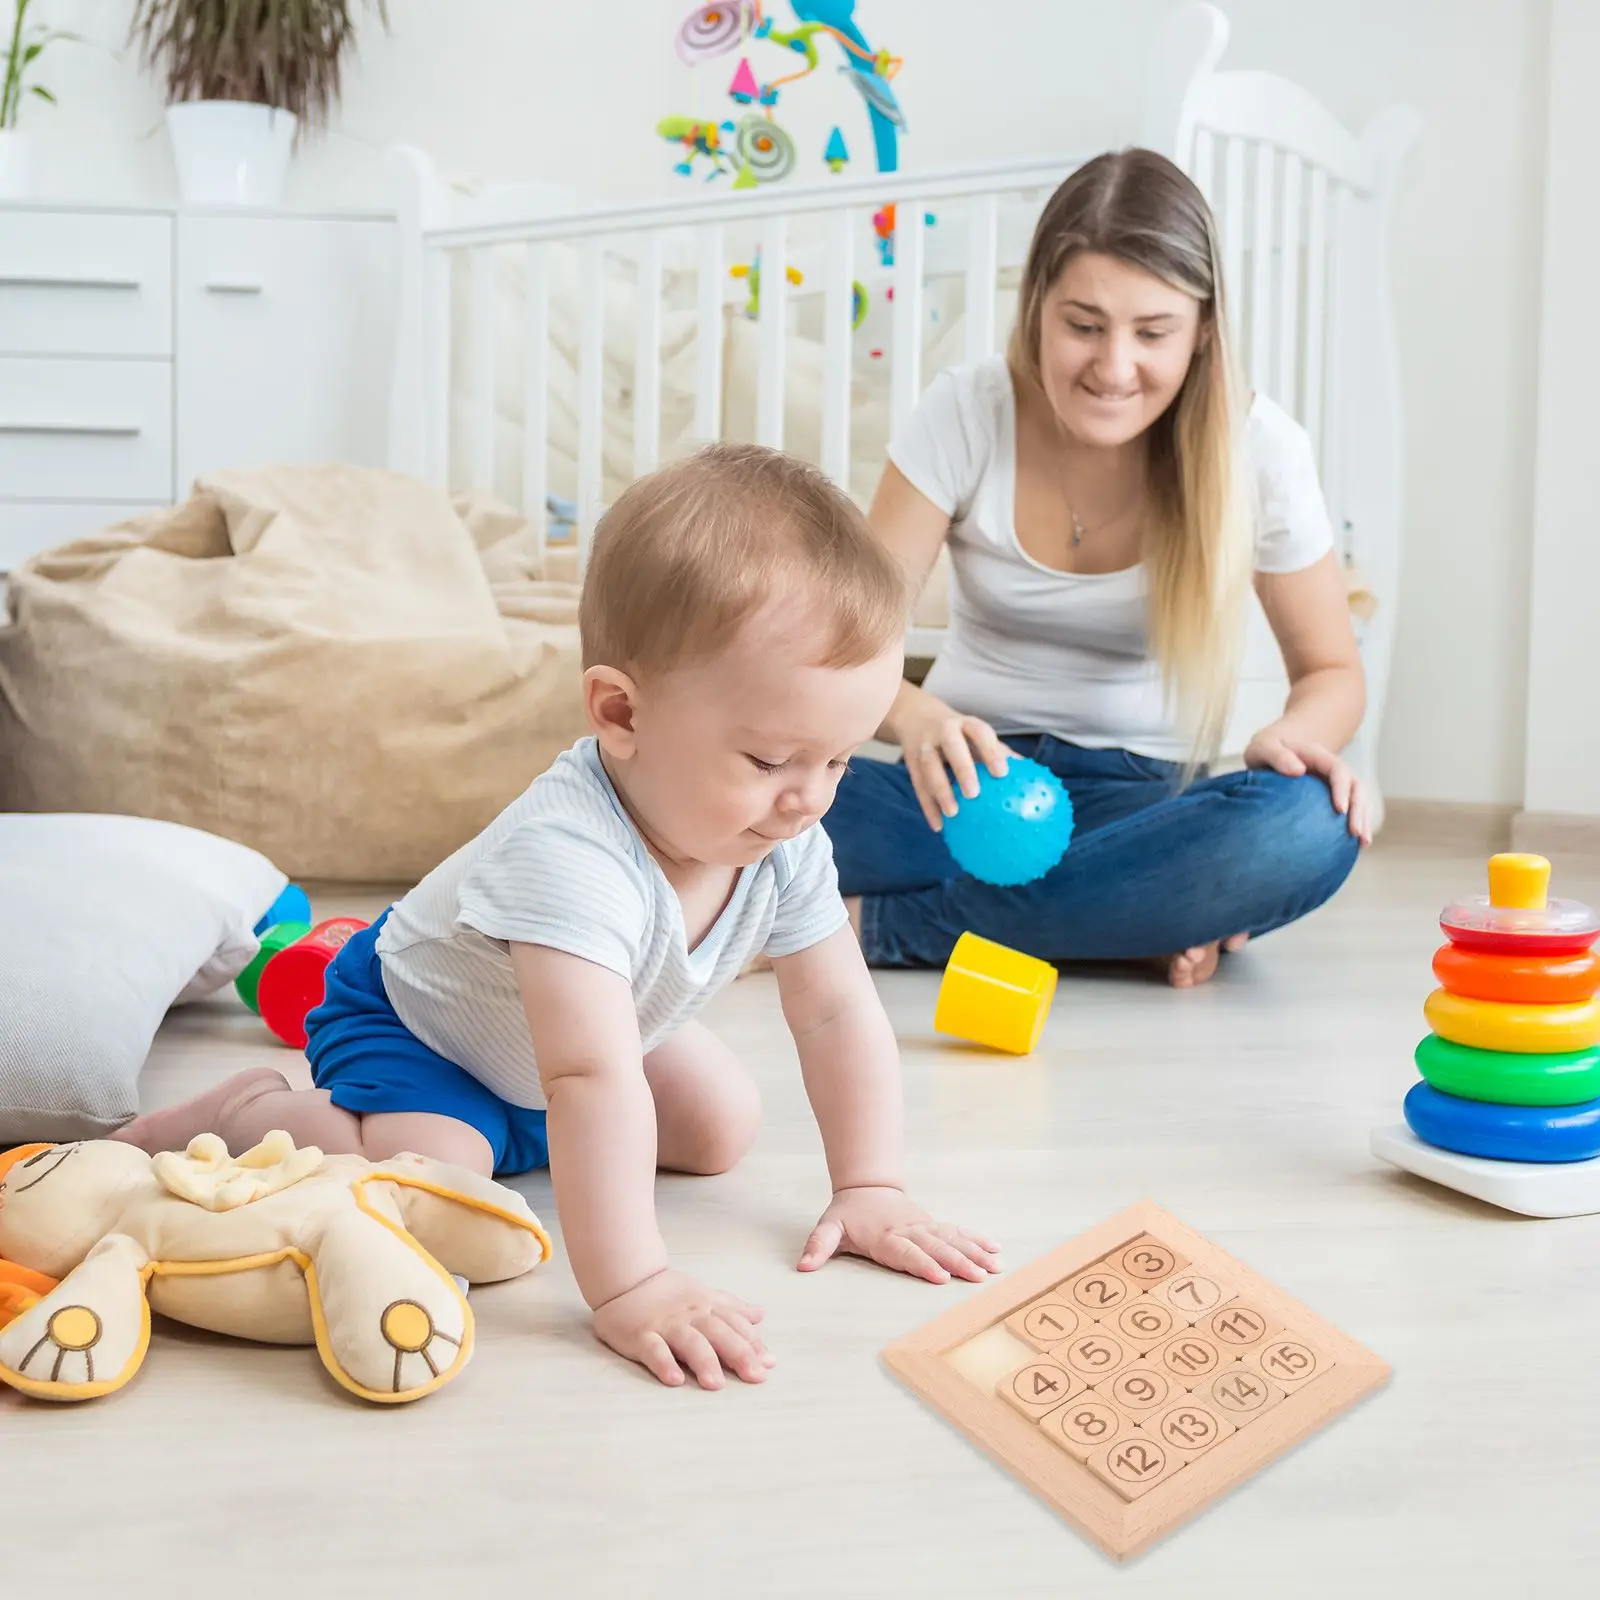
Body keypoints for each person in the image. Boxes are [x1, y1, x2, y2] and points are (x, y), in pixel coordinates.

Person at [115, 444, 998, 1390]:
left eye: (837, 760)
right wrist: (632, 1285)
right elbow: (585, 1075)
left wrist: (870, 1186)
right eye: (772, 760)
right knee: (439, 1172)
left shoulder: (780, 837)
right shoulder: (569, 855)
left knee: (721, 1128)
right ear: (620, 712)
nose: (810, 800)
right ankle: (255, 1108)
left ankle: (517, 1136)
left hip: (585, 1034)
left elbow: (833, 1013)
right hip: (425, 1028)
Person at [824, 148, 1369, 988]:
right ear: (1037, 307)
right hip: (962, 791)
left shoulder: (1261, 450)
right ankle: (1117, 922)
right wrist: (917, 715)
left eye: (1153, 333)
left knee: (1308, 825)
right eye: (1083, 325)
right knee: (755, 796)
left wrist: (1293, 740)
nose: (1114, 369)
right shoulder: (966, 412)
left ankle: (885, 927)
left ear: (1202, 332)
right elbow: (842, 646)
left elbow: (1333, 670)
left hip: (1144, 808)